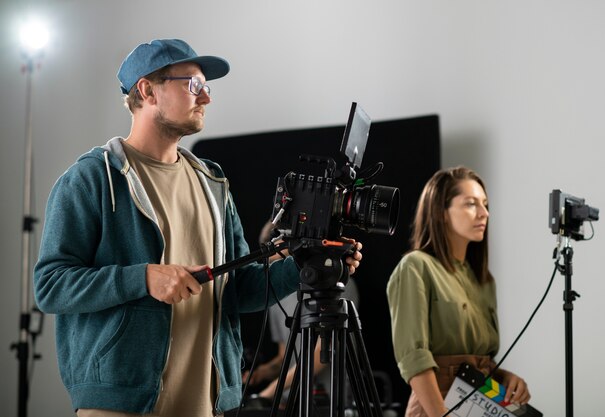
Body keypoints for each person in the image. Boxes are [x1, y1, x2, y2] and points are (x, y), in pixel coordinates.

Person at [33, 38, 362, 417]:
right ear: (147, 90)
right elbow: (51, 285)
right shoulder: (93, 179)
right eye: (193, 85)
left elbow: (241, 290)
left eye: (206, 87)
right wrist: (144, 278)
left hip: (207, 403)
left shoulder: (213, 182)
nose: (206, 97)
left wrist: (307, 265)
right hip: (123, 403)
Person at [386, 166, 530, 417]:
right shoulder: (416, 267)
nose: (484, 213)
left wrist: (505, 378)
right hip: (436, 406)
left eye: (485, 204)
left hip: (480, 403)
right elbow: (414, 359)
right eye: (471, 204)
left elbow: (479, 357)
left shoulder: (483, 280)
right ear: (441, 212)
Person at [244, 277, 360, 405]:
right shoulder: (277, 294)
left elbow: (323, 352)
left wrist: (270, 391)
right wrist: (262, 373)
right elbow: (284, 357)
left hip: (332, 399)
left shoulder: (339, 283)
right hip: (292, 401)